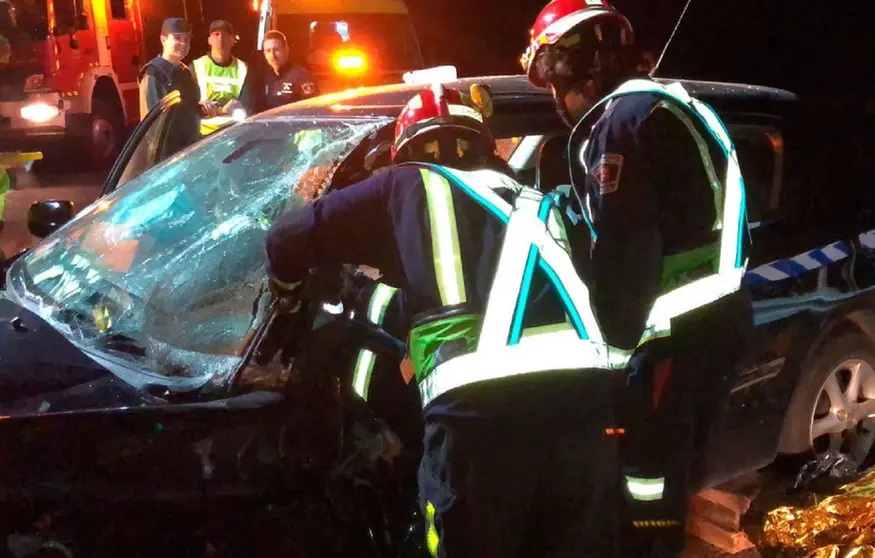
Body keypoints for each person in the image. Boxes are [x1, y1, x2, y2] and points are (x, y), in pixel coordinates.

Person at [256, 83, 623, 558]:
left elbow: (285, 239)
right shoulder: (537, 204)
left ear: (404, 152)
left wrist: (286, 302)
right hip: (587, 412)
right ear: (484, 146)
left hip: (480, 418)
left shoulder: (406, 184)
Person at [520, 0, 755, 554]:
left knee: (646, 476)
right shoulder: (671, 106)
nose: (556, 101)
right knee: (678, 462)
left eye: (553, 83)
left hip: (669, 336)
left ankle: (645, 547)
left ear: (573, 69)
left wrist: (611, 355)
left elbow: (628, 251)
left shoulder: (619, 125)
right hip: (716, 322)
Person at [138, 18, 204, 155]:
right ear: (163, 40)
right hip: (166, 156)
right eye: (177, 38)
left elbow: (187, 111)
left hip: (189, 151)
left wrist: (202, 108)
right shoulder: (153, 73)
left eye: (187, 39)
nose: (183, 43)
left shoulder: (185, 72)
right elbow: (151, 126)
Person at [191, 20, 249, 136]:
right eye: (216, 34)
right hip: (203, 135)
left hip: (234, 133)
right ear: (209, 40)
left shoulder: (243, 68)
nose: (221, 39)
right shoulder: (196, 66)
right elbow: (188, 107)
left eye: (226, 35)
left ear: (233, 41)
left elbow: (248, 104)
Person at [249, 30, 319, 113]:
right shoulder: (262, 77)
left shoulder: (302, 76)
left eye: (276, 50)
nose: (273, 55)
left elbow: (314, 108)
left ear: (286, 49)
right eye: (268, 51)